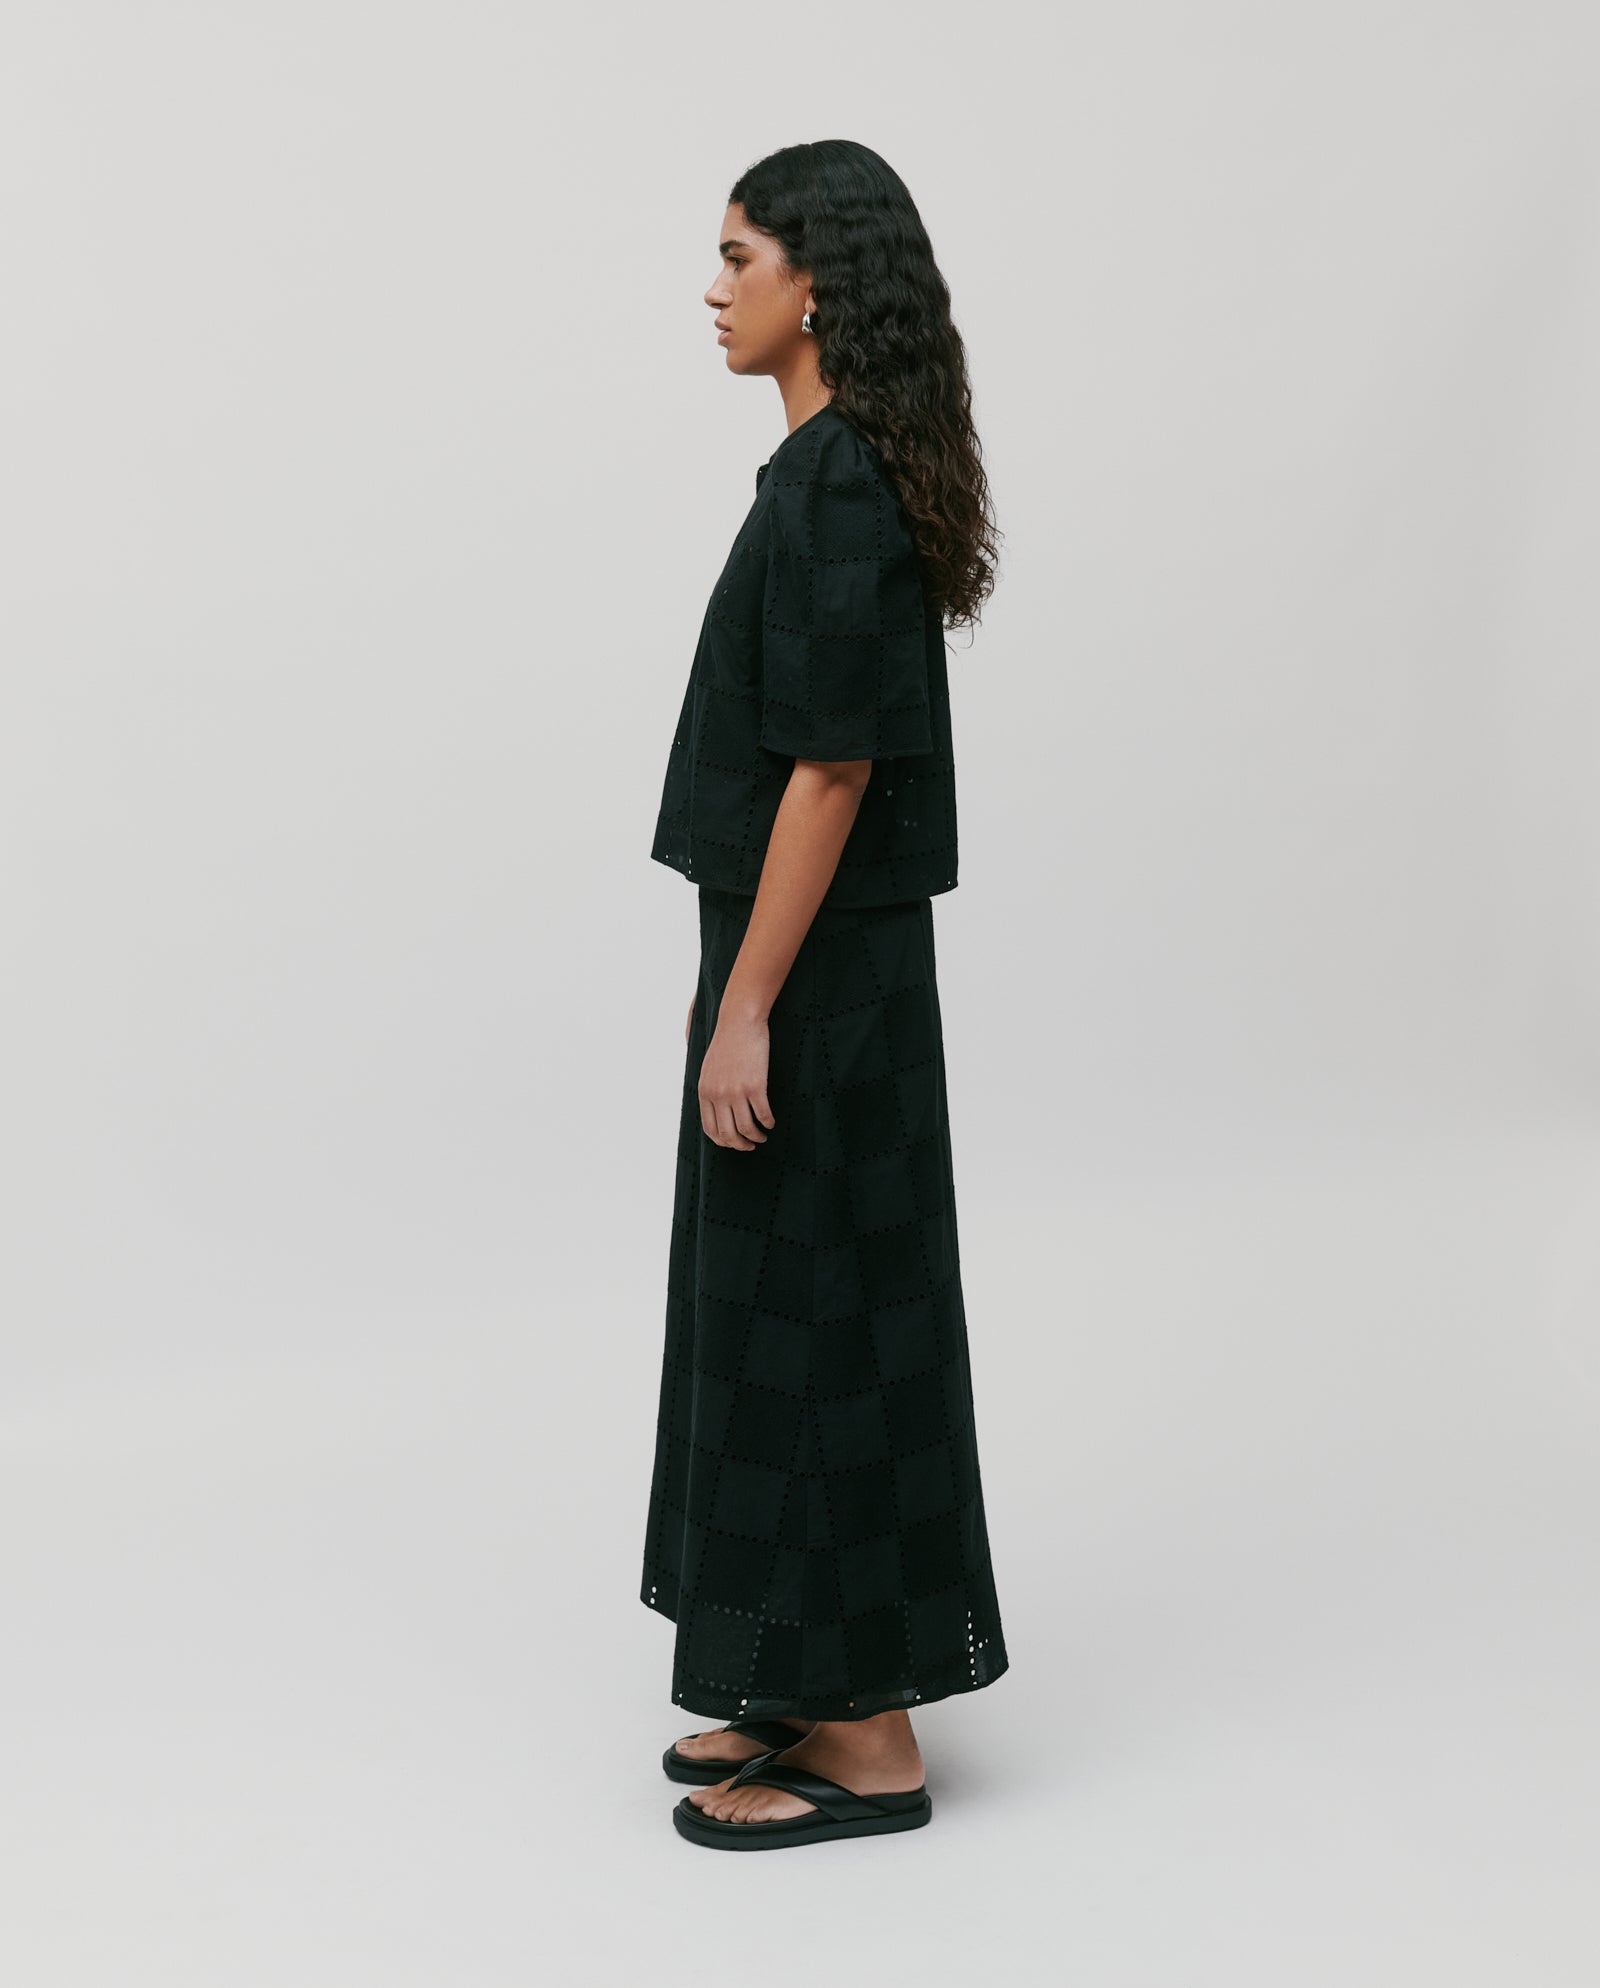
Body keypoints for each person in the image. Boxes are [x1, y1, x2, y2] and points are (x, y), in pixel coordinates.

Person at [640, 139, 1009, 1852]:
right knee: (791, 1312)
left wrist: (746, 1008)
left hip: (822, 981)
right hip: (806, 965)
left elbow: (833, 772)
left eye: (737, 256)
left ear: (816, 280)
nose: (714, 290)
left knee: (831, 1318)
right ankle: (812, 1679)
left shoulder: (839, 485)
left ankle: (871, 1742)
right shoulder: (821, 472)